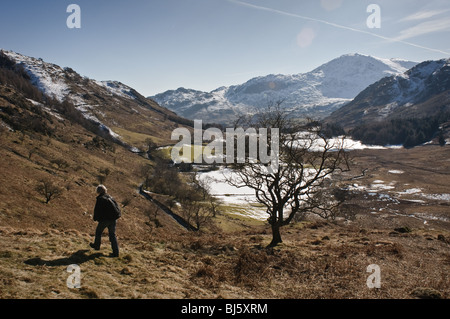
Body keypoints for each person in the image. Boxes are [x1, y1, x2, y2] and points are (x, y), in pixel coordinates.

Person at [90, 184, 120, 257]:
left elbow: (97, 210)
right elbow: (117, 207)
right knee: (112, 235)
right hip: (113, 219)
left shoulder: (100, 199)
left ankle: (96, 246)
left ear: (98, 191)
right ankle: (116, 252)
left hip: (105, 220)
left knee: (98, 232)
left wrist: (95, 218)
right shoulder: (110, 197)